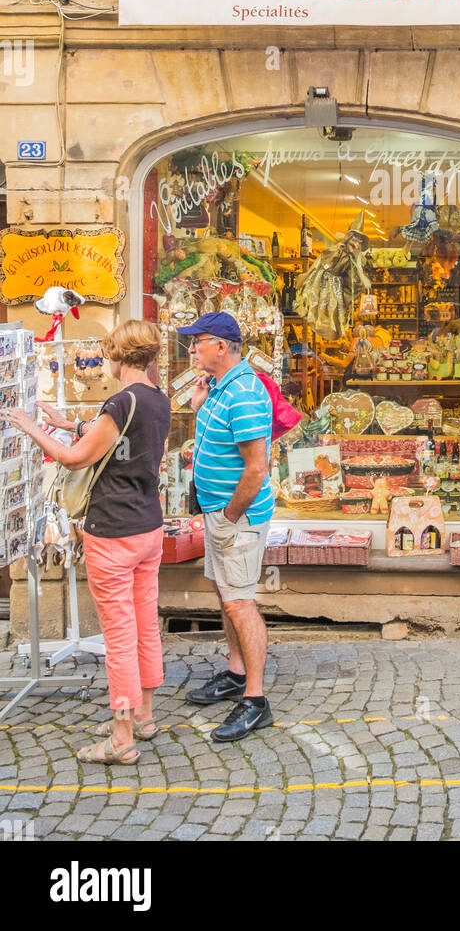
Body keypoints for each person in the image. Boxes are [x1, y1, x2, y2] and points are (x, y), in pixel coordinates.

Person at [0, 320, 170, 766]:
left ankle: (120, 737)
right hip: (148, 528)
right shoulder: (157, 400)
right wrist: (69, 422)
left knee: (117, 634)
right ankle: (145, 715)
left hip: (112, 530)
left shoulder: (119, 402)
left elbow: (75, 458)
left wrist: (29, 426)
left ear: (117, 357)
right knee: (144, 624)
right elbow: (123, 444)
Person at [179, 312, 274, 742]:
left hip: (237, 517)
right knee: (225, 594)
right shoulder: (220, 386)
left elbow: (257, 468)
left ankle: (255, 700)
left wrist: (231, 519)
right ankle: (236, 673)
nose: (191, 349)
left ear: (221, 346)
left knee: (240, 603)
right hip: (218, 513)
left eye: (197, 341)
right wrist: (200, 405)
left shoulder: (245, 392)